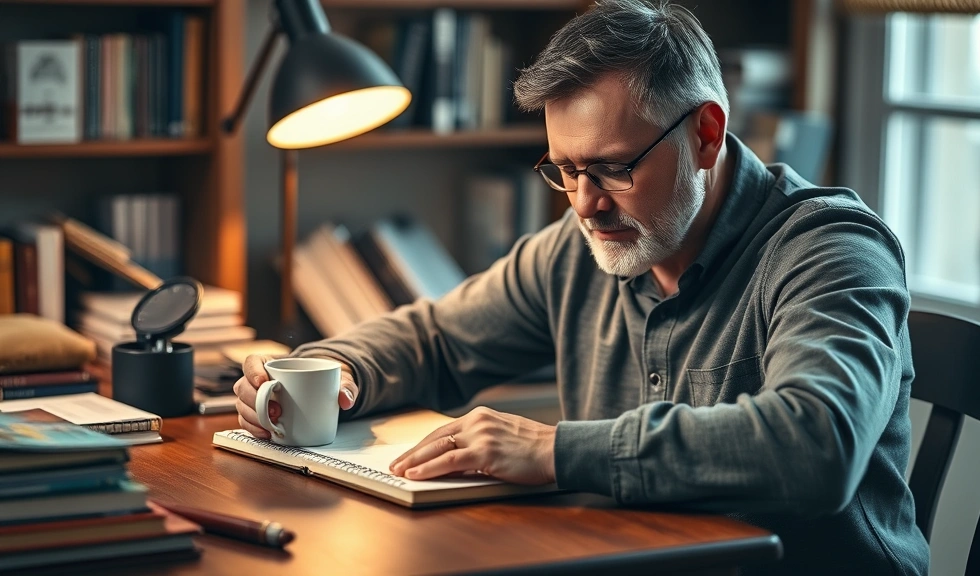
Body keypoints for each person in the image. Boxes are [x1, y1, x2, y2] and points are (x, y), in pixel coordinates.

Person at [234, 1, 929, 573]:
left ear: (706, 136)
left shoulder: (831, 250)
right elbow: (437, 338)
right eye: (563, 169)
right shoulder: (585, 246)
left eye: (612, 168)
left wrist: (553, 451)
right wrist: (336, 369)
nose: (584, 203)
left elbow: (817, 447)